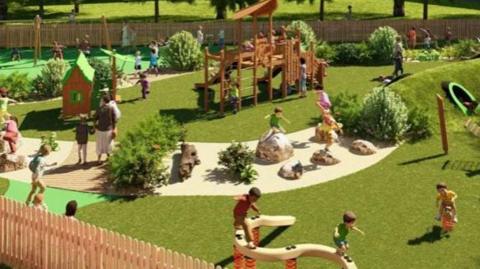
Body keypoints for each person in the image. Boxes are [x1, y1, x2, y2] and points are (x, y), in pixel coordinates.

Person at [93, 96, 117, 165]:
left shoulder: (99, 109)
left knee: (99, 144)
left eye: (101, 100)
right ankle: (109, 158)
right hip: (108, 129)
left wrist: (94, 126)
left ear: (103, 101)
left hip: (100, 130)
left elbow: (95, 118)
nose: (100, 101)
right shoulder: (111, 108)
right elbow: (114, 120)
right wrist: (114, 128)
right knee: (108, 144)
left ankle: (99, 160)